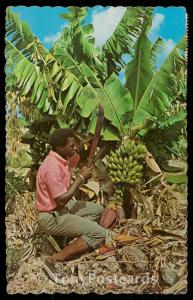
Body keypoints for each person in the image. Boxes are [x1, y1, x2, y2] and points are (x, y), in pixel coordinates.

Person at [35, 128, 115, 283]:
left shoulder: (62, 157)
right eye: (72, 146)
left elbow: (85, 158)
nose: (75, 148)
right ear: (60, 148)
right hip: (52, 216)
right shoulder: (51, 167)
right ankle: (54, 259)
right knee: (99, 233)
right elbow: (61, 200)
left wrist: (104, 147)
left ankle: (66, 236)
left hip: (64, 209)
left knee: (101, 212)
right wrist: (80, 178)